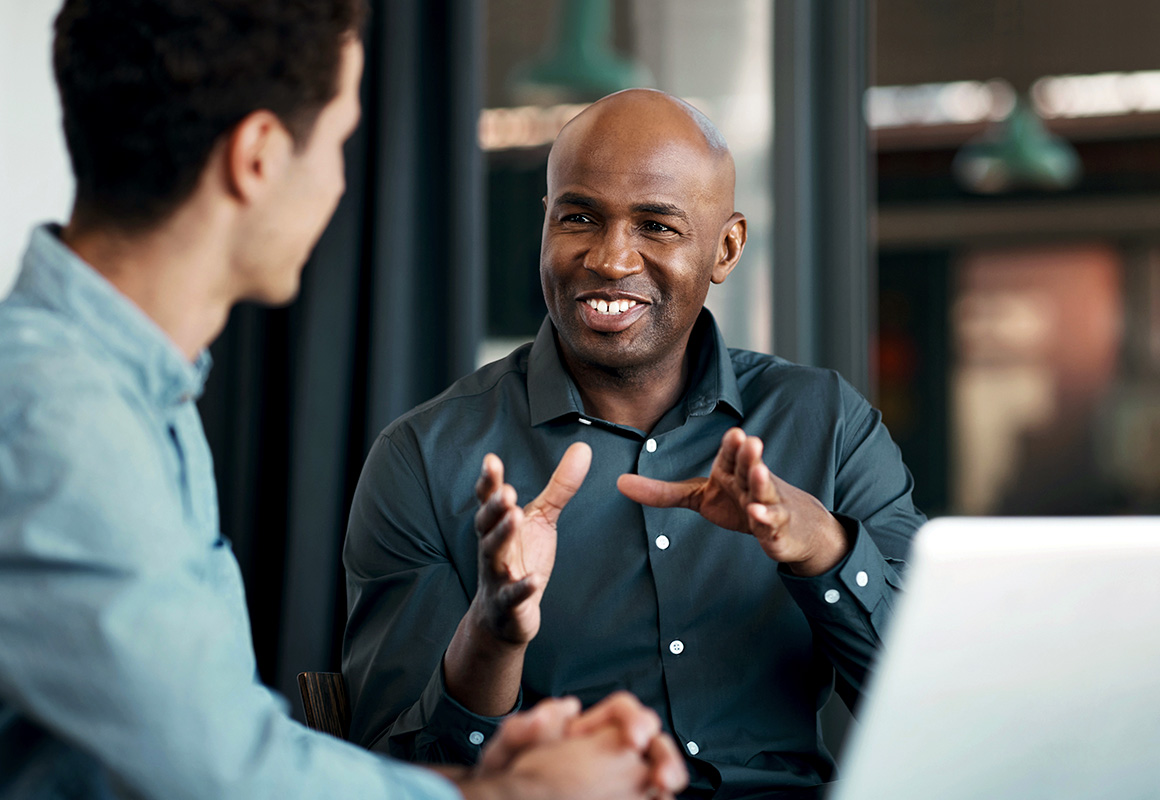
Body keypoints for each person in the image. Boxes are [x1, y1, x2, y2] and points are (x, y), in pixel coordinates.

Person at [0, 2, 688, 799]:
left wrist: (492, 774)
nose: (337, 182)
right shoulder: (57, 418)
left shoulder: (128, 394)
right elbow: (220, 780)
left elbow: (208, 740)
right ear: (258, 158)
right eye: (336, 143)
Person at [342, 88, 927, 798]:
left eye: (656, 225)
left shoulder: (826, 423)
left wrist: (822, 549)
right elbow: (395, 774)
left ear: (727, 247)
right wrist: (492, 636)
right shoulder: (426, 457)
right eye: (579, 217)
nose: (611, 259)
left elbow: (927, 706)